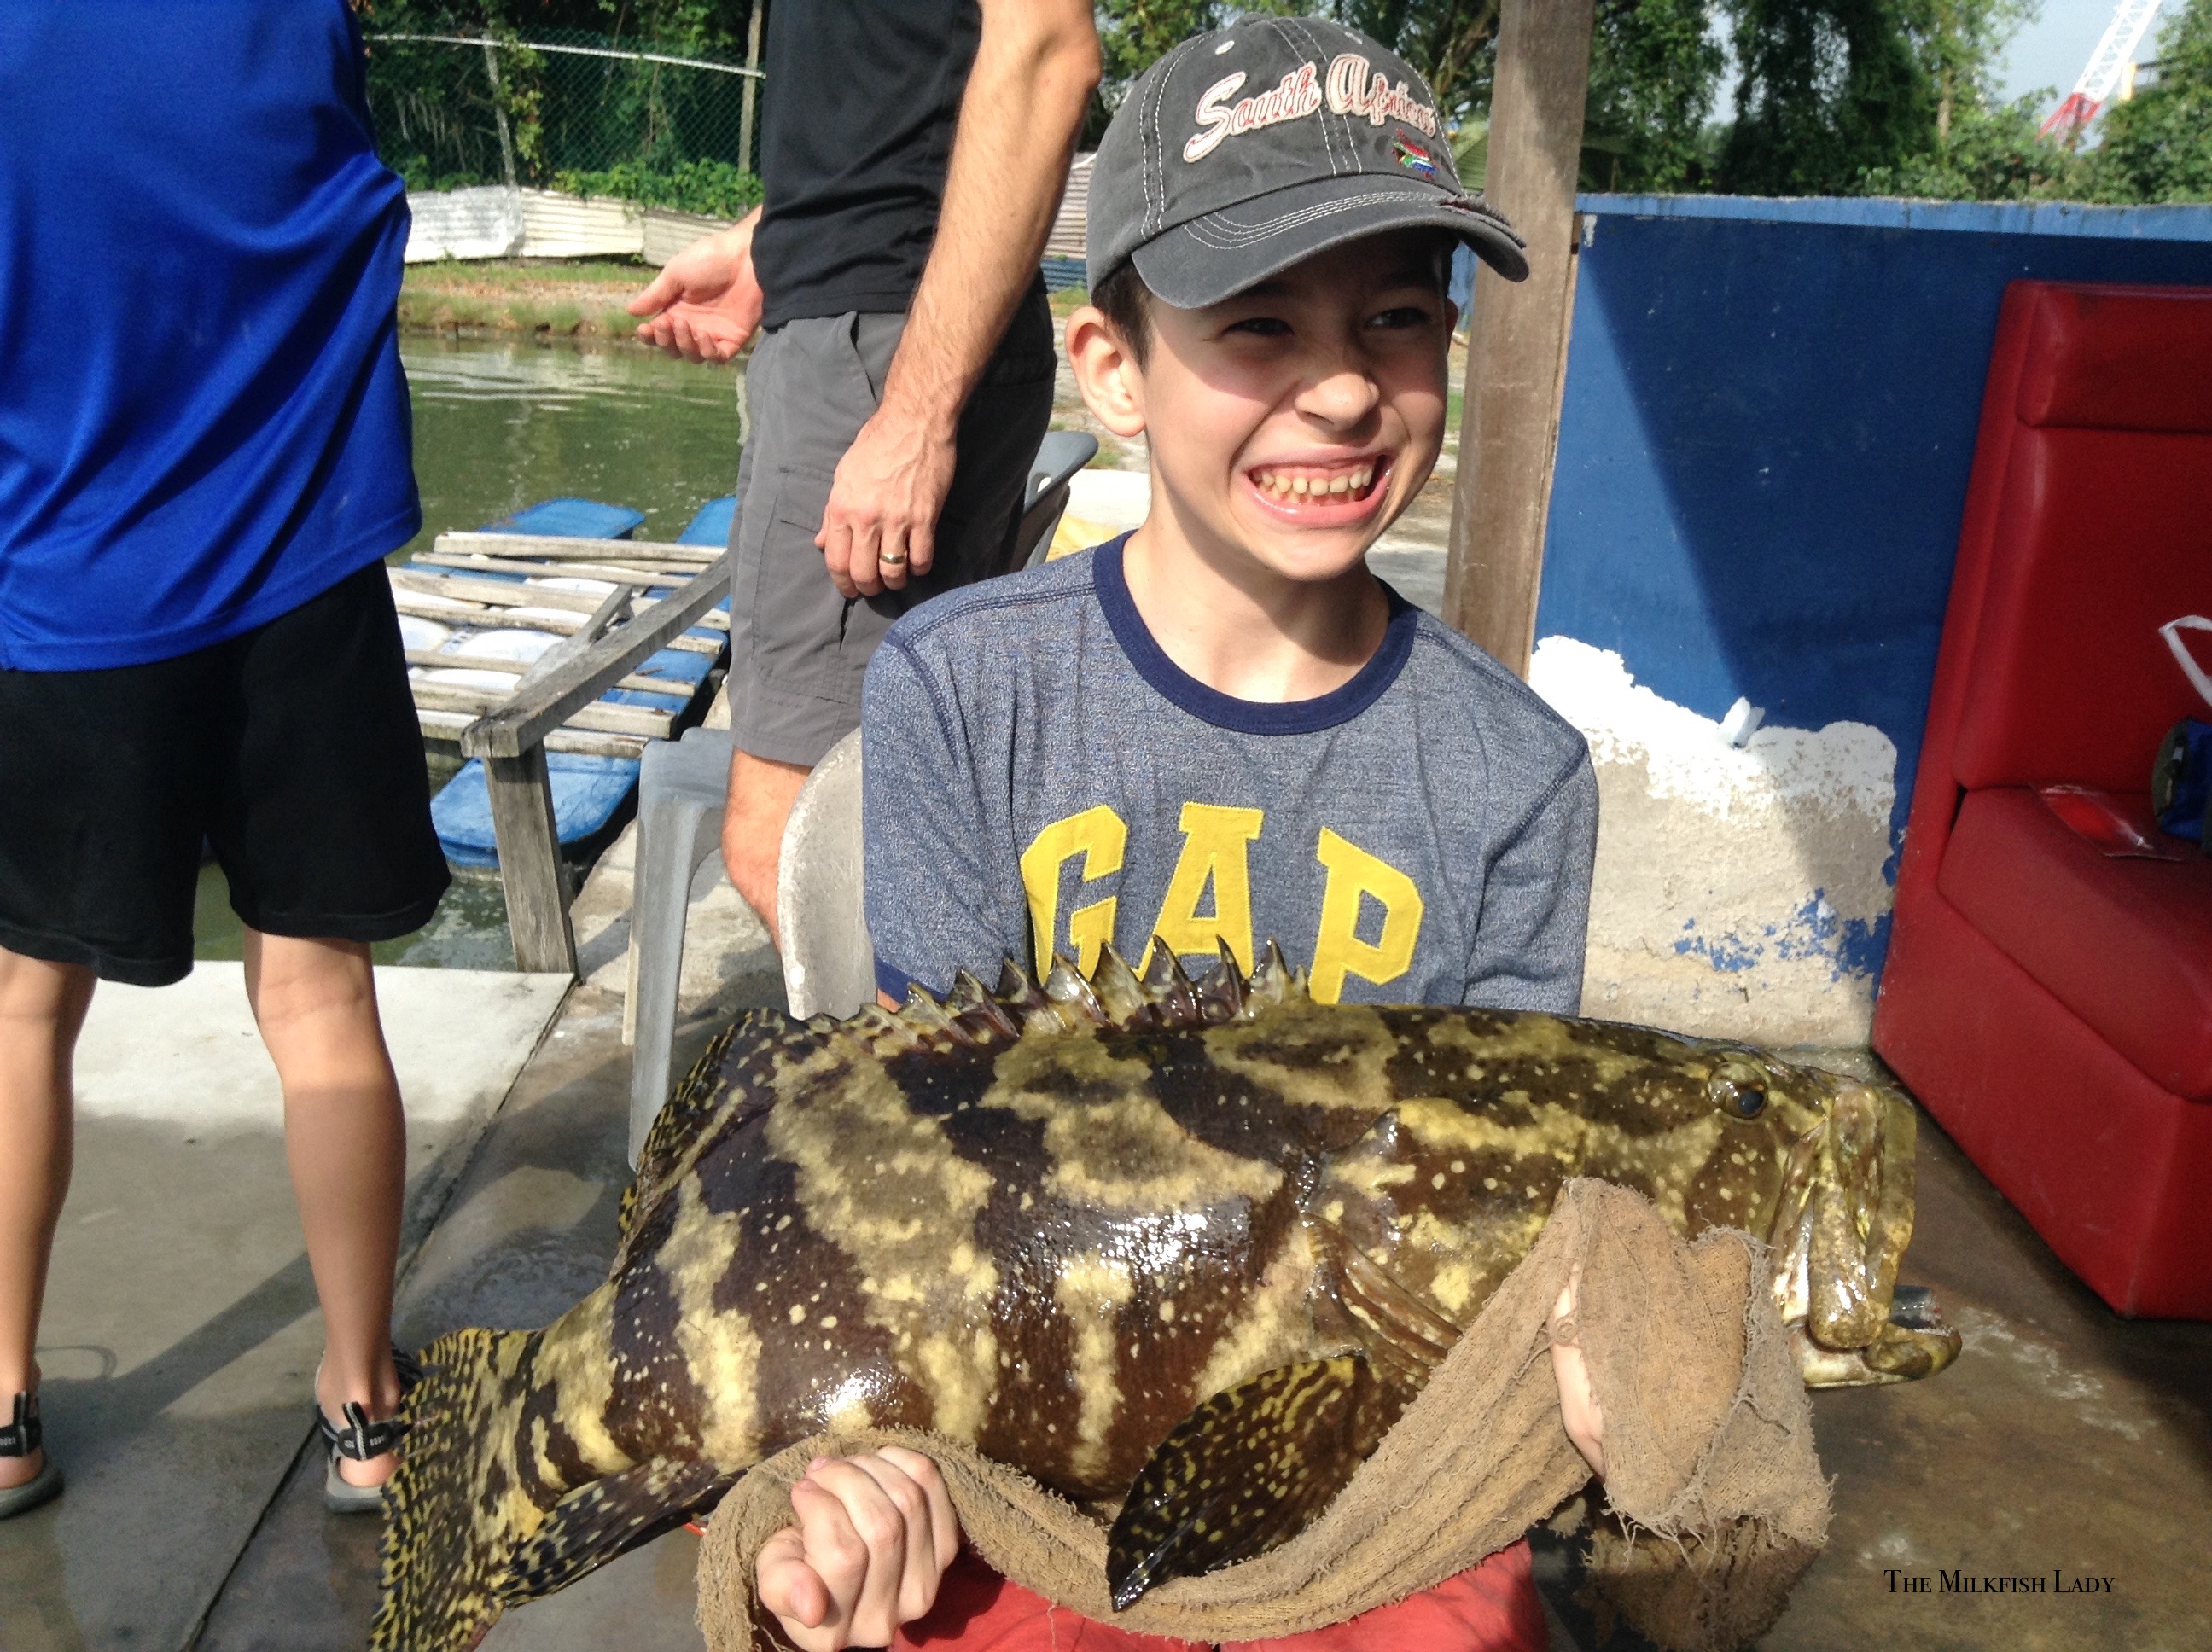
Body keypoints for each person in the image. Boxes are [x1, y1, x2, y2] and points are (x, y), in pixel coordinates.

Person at [754, 18, 1605, 1651]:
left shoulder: (1520, 778)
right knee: (829, 1585)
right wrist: (854, 1468)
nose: (1342, 389)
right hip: (1021, 1427)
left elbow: (1499, 1219)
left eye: (1397, 317)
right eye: (1259, 322)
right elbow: (921, 1148)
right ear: (1112, 371)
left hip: (1359, 1464)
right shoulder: (959, 687)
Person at [0, 0, 447, 1518]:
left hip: (67, 586)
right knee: (320, 997)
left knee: (21, 1005)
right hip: (303, 573)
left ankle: (3, 1406)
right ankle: (365, 1407)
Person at [627, 0, 1101, 948]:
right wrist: (776, 244)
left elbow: (1047, 46)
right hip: (873, 325)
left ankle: (918, 1050)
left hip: (886, 349)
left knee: (793, 846)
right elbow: (904, 87)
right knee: (874, 824)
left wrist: (915, 417)